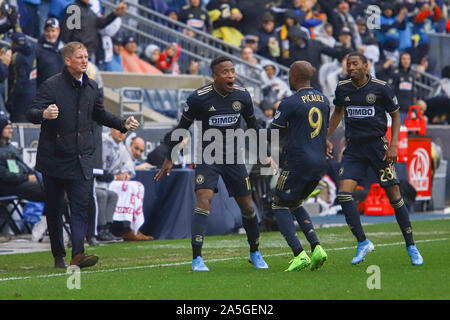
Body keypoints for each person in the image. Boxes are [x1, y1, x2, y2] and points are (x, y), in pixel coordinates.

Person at [26, 42, 140, 269]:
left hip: (81, 159)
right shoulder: (52, 85)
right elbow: (31, 112)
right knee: (55, 210)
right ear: (68, 61)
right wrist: (44, 114)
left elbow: (99, 113)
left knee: (80, 207)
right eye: (80, 57)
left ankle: (77, 253)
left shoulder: (92, 86)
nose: (85, 60)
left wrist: (122, 123)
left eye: (86, 56)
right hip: (54, 159)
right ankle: (58, 254)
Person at [155, 56, 272, 271]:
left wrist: (265, 153)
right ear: (215, 76)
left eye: (232, 71)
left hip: (234, 157)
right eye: (225, 72)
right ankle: (197, 258)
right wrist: (170, 157)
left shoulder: (242, 96)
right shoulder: (199, 98)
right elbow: (182, 127)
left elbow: (254, 125)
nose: (230, 75)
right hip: (208, 156)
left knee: (247, 205)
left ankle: (255, 252)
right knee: (204, 199)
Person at [327, 52, 423, 266]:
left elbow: (396, 115)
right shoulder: (343, 88)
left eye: (354, 64)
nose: (350, 68)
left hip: (378, 148)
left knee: (395, 196)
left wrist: (394, 144)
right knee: (344, 195)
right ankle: (362, 242)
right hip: (353, 148)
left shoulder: (381, 87)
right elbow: (338, 112)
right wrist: (326, 137)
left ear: (366, 65)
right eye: (348, 65)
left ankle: (411, 245)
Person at [269, 60, 329, 272]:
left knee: (278, 202)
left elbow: (273, 132)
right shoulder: (323, 100)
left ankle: (298, 254)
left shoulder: (290, 102)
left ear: (293, 77)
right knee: (293, 202)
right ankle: (317, 247)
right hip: (320, 162)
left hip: (298, 161)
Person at [102, 128, 153, 241]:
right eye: (136, 148)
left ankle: (131, 228)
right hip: (101, 181)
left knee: (136, 186)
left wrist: (125, 174)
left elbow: (128, 170)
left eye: (141, 151)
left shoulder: (120, 148)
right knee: (131, 187)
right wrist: (116, 176)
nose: (138, 153)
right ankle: (124, 229)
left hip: (110, 180)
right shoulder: (104, 142)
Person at [60, 0, 128, 62]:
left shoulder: (89, 10)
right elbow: (66, 34)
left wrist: (115, 14)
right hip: (77, 55)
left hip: (88, 54)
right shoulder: (74, 9)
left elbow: (100, 23)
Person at [0, 114, 45, 201]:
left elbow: (23, 166)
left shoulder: (11, 148)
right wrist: (27, 178)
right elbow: (4, 175)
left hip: (21, 181)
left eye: (11, 128)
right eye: (7, 128)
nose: (11, 131)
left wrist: (32, 174)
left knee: (54, 187)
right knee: (49, 191)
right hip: (10, 186)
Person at [6, 32, 37, 123]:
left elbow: (18, 81)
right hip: (33, 94)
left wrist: (11, 100)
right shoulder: (32, 52)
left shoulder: (17, 57)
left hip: (20, 98)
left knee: (19, 126)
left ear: (13, 43)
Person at [35, 18, 65, 88]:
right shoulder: (38, 49)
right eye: (47, 31)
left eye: (53, 31)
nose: (50, 34)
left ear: (58, 31)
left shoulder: (64, 48)